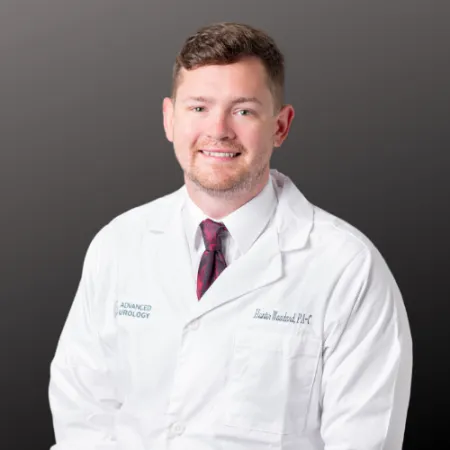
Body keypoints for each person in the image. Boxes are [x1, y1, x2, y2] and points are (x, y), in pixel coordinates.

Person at [49, 22, 413, 450]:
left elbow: (364, 441)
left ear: (281, 126)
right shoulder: (119, 244)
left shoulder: (347, 268)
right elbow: (82, 417)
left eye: (243, 110)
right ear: (169, 119)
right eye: (198, 108)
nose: (218, 130)